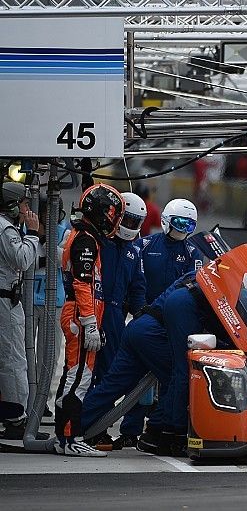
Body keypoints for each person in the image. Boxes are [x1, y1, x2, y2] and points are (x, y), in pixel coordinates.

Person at [81, 272, 194, 457]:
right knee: (178, 379)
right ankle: (158, 433)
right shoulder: (210, 291)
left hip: (138, 325)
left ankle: (71, 429)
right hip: (154, 333)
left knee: (111, 386)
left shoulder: (198, 277)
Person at [55, 183, 124, 456]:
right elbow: (83, 285)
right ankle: (71, 439)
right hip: (80, 315)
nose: (112, 218)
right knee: (78, 379)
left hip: (79, 314)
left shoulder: (85, 236)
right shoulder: (85, 240)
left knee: (73, 377)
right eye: (110, 212)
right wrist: (90, 323)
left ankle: (64, 437)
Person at [89, 192, 148, 449]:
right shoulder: (98, 242)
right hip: (92, 309)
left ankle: (96, 427)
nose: (132, 227)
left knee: (108, 372)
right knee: (83, 372)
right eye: (129, 221)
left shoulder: (135, 249)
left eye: (137, 223)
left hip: (115, 315)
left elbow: (138, 288)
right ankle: (77, 423)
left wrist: (141, 317)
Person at [0, 182, 40, 439]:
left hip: (6, 299)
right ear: (13, 204)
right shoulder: (5, 229)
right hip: (5, 301)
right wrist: (34, 234)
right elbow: (23, 260)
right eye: (25, 204)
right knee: (14, 359)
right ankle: (15, 418)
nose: (28, 209)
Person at [33, 194, 70, 419]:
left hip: (54, 301)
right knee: (25, 354)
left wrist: (45, 240)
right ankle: (27, 397)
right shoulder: (27, 231)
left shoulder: (65, 234)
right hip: (28, 299)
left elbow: (63, 260)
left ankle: (43, 400)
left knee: (49, 354)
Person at [137, 198, 202, 304]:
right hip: (143, 308)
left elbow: (192, 285)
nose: (184, 229)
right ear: (166, 220)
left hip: (173, 309)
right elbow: (135, 280)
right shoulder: (143, 245)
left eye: (189, 225)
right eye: (179, 223)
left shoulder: (193, 253)